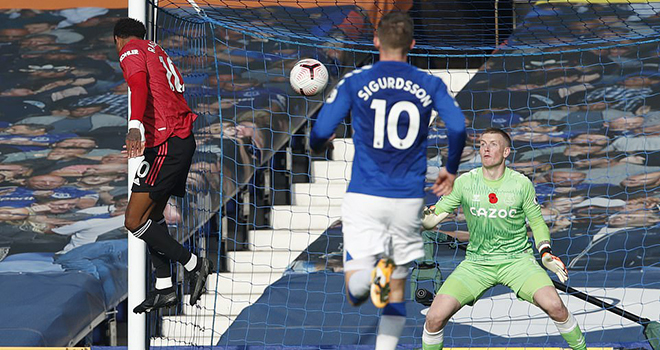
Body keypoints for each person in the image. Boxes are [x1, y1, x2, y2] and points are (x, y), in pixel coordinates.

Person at [309, 12, 467, 350]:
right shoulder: (429, 83)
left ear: (376, 41)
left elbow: (319, 133)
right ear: (412, 44)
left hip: (365, 195)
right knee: (396, 289)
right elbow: (457, 127)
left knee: (356, 292)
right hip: (408, 198)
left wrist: (322, 141)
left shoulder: (357, 79)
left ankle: (366, 278)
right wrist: (450, 169)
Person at [421, 128, 586, 350]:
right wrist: (419, 214)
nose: (486, 149)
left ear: (506, 151)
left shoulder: (521, 184)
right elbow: (431, 221)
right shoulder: (464, 182)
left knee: (556, 307)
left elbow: (537, 222)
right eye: (482, 144)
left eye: (493, 144)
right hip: (477, 264)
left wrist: (545, 253)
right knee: (434, 318)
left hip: (517, 262)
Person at [113, 17, 211, 313]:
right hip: (178, 140)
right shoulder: (155, 50)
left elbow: (138, 86)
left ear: (117, 38)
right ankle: (165, 286)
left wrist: (135, 127)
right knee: (153, 215)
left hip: (167, 143)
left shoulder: (130, 50)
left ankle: (194, 263)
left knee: (133, 221)